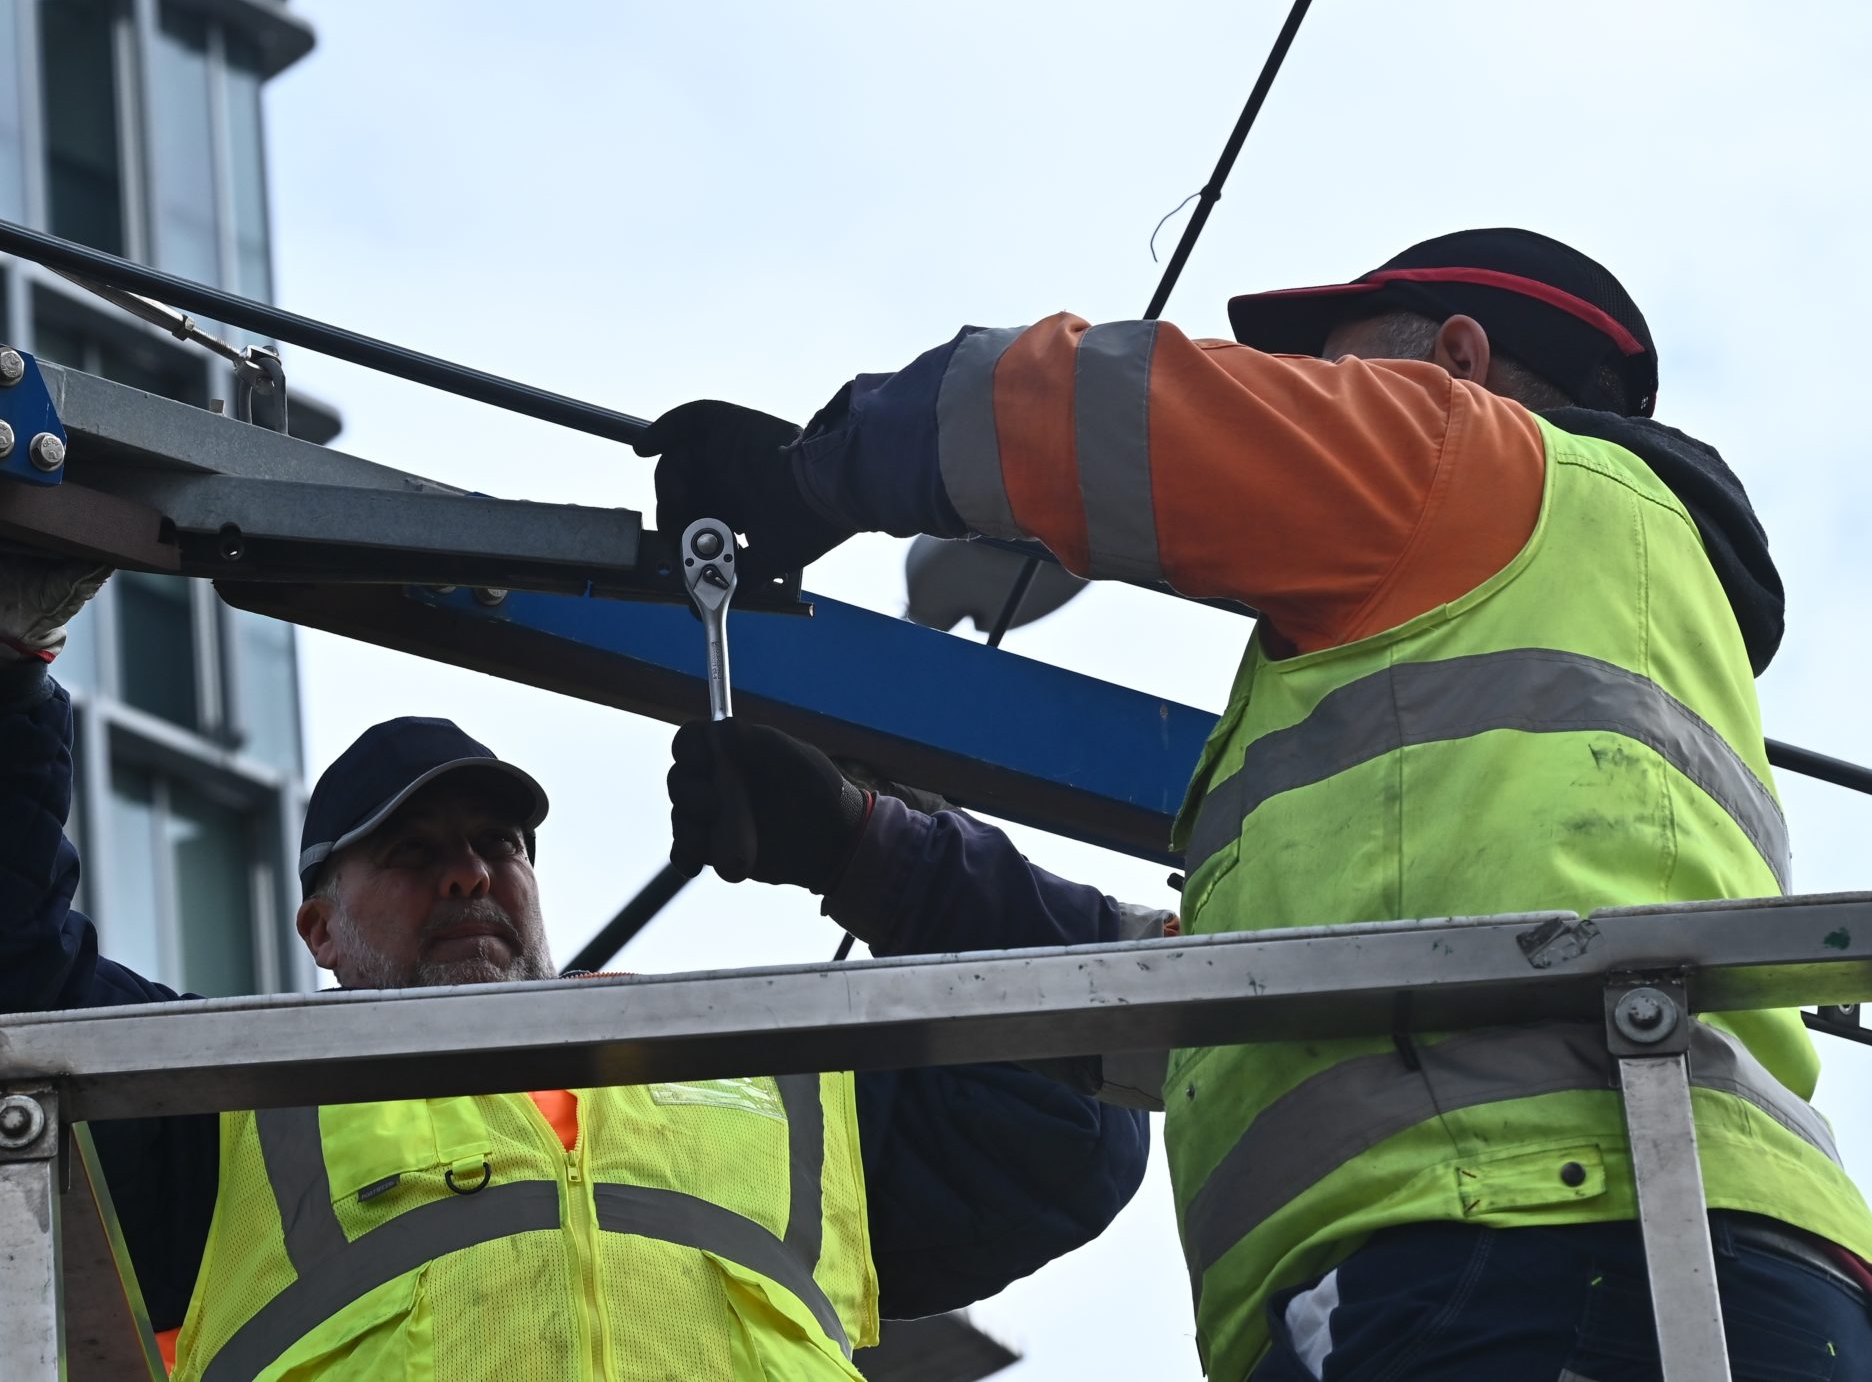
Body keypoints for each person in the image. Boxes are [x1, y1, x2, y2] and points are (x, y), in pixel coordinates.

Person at [639, 227, 1872, 1381]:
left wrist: (813, 471)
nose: (1310, 401)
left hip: (1507, 1242)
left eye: (1336, 372)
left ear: (1453, 361)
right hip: (1707, 1250)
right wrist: (870, 853)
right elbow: (1218, 1006)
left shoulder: (1470, 456)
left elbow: (1098, 413)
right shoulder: (1598, 626)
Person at [0, 548, 1148, 1380]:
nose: (468, 872)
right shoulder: (240, 1107)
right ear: (320, 931)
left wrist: (871, 850)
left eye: (494, 843)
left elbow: (1066, 1115)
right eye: (411, 853)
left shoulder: (767, 1077)